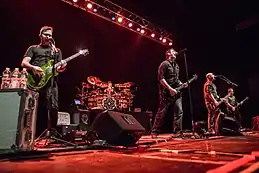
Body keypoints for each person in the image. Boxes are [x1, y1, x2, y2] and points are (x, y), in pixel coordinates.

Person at [21, 26, 67, 137]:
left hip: (50, 81)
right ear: (40, 35)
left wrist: (61, 68)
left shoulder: (56, 51)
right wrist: (34, 68)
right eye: (46, 34)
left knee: (53, 106)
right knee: (31, 106)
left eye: (50, 35)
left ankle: (52, 133)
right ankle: (29, 133)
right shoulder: (33, 48)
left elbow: (58, 69)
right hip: (34, 81)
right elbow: (24, 63)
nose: (48, 37)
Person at [151, 48, 188, 138]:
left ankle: (177, 132)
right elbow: (161, 78)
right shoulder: (164, 64)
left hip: (176, 92)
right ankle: (154, 131)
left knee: (179, 111)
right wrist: (170, 89)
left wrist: (181, 84)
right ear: (168, 54)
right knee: (162, 112)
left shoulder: (176, 65)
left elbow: (175, 79)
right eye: (173, 51)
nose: (175, 52)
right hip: (166, 92)